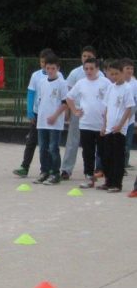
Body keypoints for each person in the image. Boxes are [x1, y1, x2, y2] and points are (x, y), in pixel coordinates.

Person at [13, 48, 61, 177]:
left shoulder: (59, 76)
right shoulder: (36, 75)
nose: (44, 66)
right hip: (38, 113)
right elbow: (31, 93)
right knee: (32, 141)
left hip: (51, 115)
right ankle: (25, 166)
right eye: (42, 63)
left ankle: (49, 169)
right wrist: (30, 111)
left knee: (50, 145)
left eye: (46, 63)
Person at [65, 58, 111, 188]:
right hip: (85, 124)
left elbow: (110, 100)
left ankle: (109, 179)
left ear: (97, 69)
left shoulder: (105, 83)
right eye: (86, 69)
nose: (89, 71)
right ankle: (89, 177)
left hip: (101, 124)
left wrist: (107, 120)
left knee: (103, 152)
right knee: (87, 152)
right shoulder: (81, 83)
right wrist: (74, 111)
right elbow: (69, 97)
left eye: (92, 68)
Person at [60, 46, 102, 180]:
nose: (86, 58)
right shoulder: (75, 73)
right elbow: (68, 94)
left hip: (95, 115)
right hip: (79, 112)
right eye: (84, 56)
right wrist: (70, 111)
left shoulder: (101, 75)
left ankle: (97, 169)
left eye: (89, 56)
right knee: (72, 141)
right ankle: (66, 169)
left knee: (95, 144)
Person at [97, 60, 134, 192]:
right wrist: (104, 125)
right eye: (111, 74)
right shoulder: (110, 88)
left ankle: (117, 184)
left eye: (116, 74)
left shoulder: (127, 88)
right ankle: (108, 181)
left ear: (122, 73)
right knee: (106, 156)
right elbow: (106, 107)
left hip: (119, 130)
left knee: (117, 157)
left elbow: (129, 108)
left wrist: (120, 125)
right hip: (108, 129)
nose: (114, 76)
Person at [33, 55, 68, 185]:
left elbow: (65, 103)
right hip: (42, 121)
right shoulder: (42, 82)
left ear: (58, 68)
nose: (50, 71)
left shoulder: (62, 83)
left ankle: (55, 173)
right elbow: (41, 100)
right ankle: (44, 171)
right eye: (48, 68)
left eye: (53, 68)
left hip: (55, 122)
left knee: (53, 148)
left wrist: (55, 116)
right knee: (43, 147)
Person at [120, 58, 136, 170]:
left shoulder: (135, 83)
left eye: (131, 68)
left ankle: (124, 164)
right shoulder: (119, 82)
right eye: (127, 68)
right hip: (119, 119)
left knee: (127, 144)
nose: (130, 70)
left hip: (130, 119)